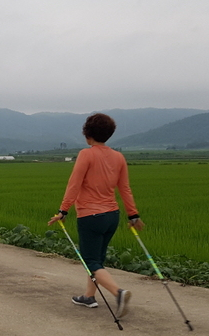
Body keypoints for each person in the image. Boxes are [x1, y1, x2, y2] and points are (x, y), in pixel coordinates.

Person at [48, 113, 144, 318]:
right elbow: (124, 188)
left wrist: (63, 211)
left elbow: (74, 184)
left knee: (90, 260)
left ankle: (118, 293)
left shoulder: (86, 154)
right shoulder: (118, 157)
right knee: (97, 259)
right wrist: (133, 215)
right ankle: (89, 297)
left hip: (90, 216)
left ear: (87, 133)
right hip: (112, 216)